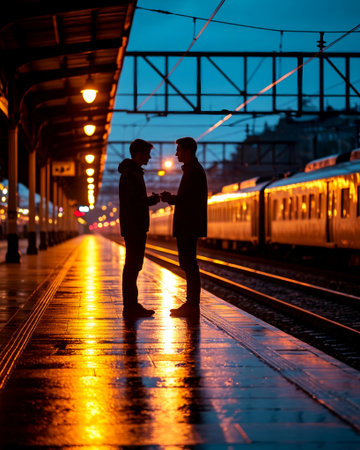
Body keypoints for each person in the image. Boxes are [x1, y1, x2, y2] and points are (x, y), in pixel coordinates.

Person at [161, 137, 208, 317]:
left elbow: (186, 200)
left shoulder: (193, 172)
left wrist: (169, 198)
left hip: (188, 224)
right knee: (188, 263)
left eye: (178, 150)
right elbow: (188, 198)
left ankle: (192, 305)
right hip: (189, 223)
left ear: (187, 151)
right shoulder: (193, 170)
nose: (176, 153)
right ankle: (191, 304)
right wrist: (171, 198)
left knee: (189, 264)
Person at [118, 139, 160, 320]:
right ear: (139, 154)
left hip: (134, 226)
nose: (149, 157)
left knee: (133, 266)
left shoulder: (132, 173)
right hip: (134, 226)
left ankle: (132, 305)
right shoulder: (131, 174)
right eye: (147, 153)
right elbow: (133, 202)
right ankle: (130, 306)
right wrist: (153, 200)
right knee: (132, 266)